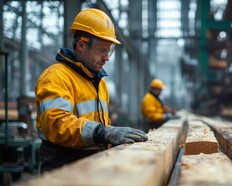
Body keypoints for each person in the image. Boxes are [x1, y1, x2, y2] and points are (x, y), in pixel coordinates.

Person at [35, 8, 148, 172]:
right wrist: (103, 133)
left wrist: (112, 137)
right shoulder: (56, 77)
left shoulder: (99, 82)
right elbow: (56, 125)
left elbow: (102, 125)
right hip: (63, 170)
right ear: (81, 45)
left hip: (92, 166)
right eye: (102, 50)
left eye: (109, 51)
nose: (107, 57)